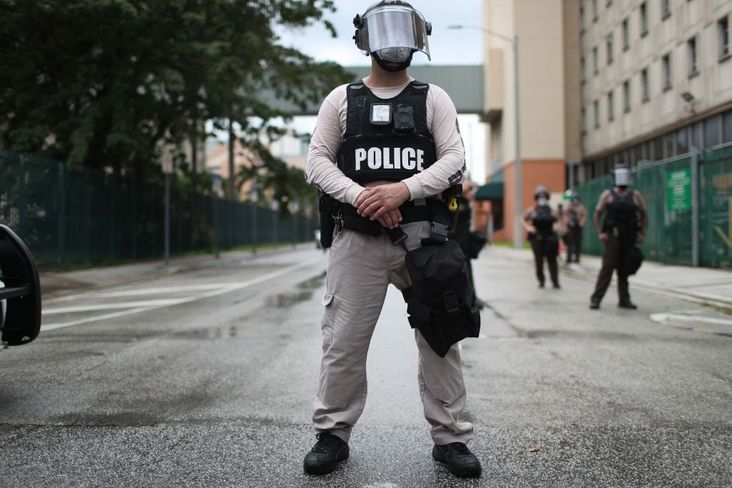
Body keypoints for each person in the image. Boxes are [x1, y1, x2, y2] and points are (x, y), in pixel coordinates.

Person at [302, 0, 481, 478]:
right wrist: (364, 197)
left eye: (405, 30)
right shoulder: (340, 100)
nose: (394, 41)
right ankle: (332, 433)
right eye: (384, 30)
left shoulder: (433, 98)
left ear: (419, 37)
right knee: (342, 340)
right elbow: (316, 161)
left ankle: (451, 439)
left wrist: (404, 189)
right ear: (364, 38)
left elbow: (455, 160)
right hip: (356, 239)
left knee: (441, 335)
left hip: (422, 239)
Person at [589, 165, 648, 310]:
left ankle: (624, 299)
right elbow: (597, 214)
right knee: (607, 267)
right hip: (612, 235)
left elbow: (644, 214)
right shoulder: (607, 195)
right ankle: (596, 298)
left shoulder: (635, 195)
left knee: (625, 267)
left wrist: (642, 232)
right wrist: (600, 233)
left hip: (629, 236)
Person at [522, 185, 560, 289]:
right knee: (539, 260)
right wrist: (528, 227)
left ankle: (555, 281)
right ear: (536, 198)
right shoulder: (532, 210)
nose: (542, 199)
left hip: (550, 237)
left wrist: (556, 226)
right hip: (537, 237)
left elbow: (558, 221)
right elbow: (522, 219)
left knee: (552, 259)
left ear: (547, 197)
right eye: (540, 197)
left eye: (544, 197)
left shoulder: (552, 210)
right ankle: (541, 280)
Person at [563, 192, 588, 264]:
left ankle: (577, 258)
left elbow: (585, 216)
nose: (575, 200)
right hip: (570, 228)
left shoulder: (581, 207)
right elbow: (565, 215)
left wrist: (581, 224)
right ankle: (569, 258)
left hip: (578, 228)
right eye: (574, 199)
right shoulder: (568, 206)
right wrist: (567, 222)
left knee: (578, 244)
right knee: (570, 244)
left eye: (576, 199)